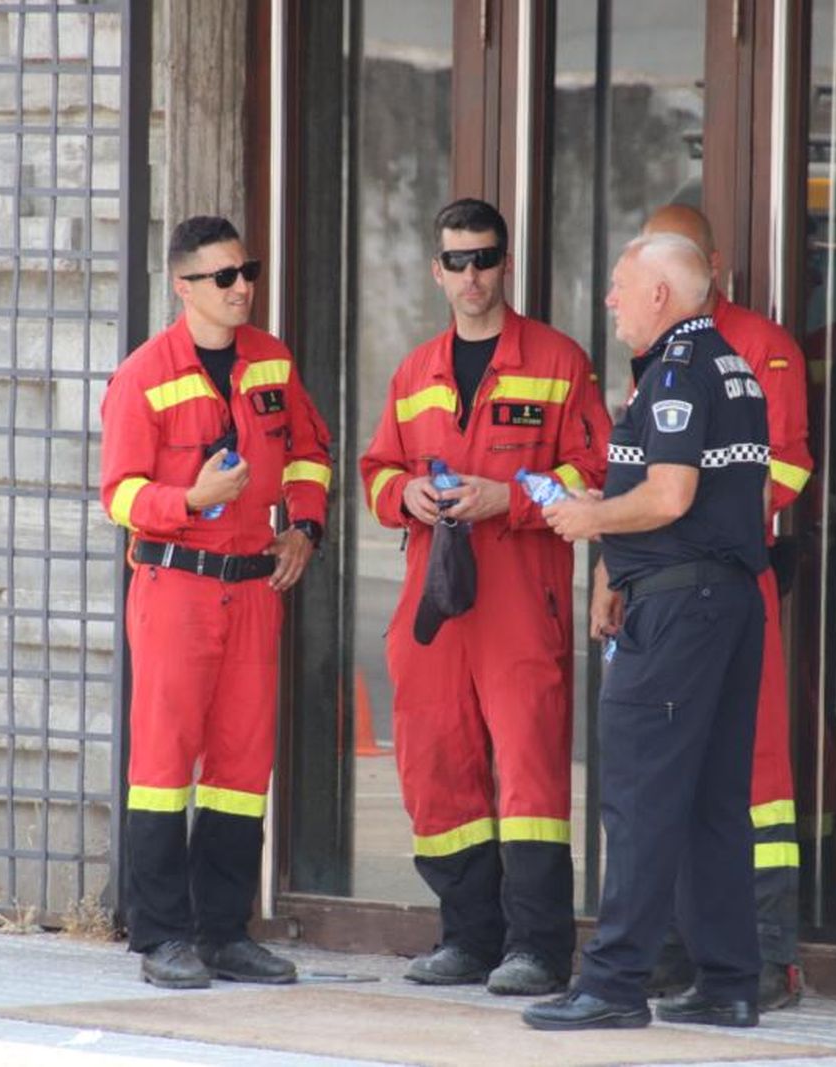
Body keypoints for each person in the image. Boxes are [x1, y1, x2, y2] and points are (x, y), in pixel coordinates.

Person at [359, 198, 611, 996]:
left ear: (506, 264)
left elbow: (593, 472)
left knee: (530, 771)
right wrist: (406, 495)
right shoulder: (415, 372)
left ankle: (537, 947)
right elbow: (377, 471)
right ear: (437, 271)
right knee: (437, 762)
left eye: (485, 258)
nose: (472, 275)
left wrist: (511, 497)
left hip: (519, 593)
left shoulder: (559, 361)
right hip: (435, 598)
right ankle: (468, 937)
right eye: (458, 261)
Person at [524, 232, 768, 1030]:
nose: (611, 300)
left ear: (660, 294)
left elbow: (668, 496)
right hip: (722, 602)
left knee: (638, 796)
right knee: (711, 801)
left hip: (679, 614)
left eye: (621, 285)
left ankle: (613, 983)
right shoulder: (730, 365)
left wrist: (591, 520)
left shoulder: (676, 371)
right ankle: (728, 981)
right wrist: (613, 563)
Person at [99, 215, 333, 989]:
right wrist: (189, 499)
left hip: (253, 587)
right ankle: (162, 934)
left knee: (241, 761)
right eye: (224, 277)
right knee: (163, 762)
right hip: (176, 585)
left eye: (247, 272)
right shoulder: (144, 374)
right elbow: (118, 493)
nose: (242, 288)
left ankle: (225, 932)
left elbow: (309, 451)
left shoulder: (271, 359)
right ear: (183, 285)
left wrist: (304, 526)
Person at [641, 203, 812, 1008]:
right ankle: (678, 947)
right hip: (664, 586)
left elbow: (787, 467)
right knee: (673, 762)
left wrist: (701, 519)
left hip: (733, 576)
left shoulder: (761, 347)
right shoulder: (656, 351)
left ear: (709, 266)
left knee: (757, 771)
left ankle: (769, 955)